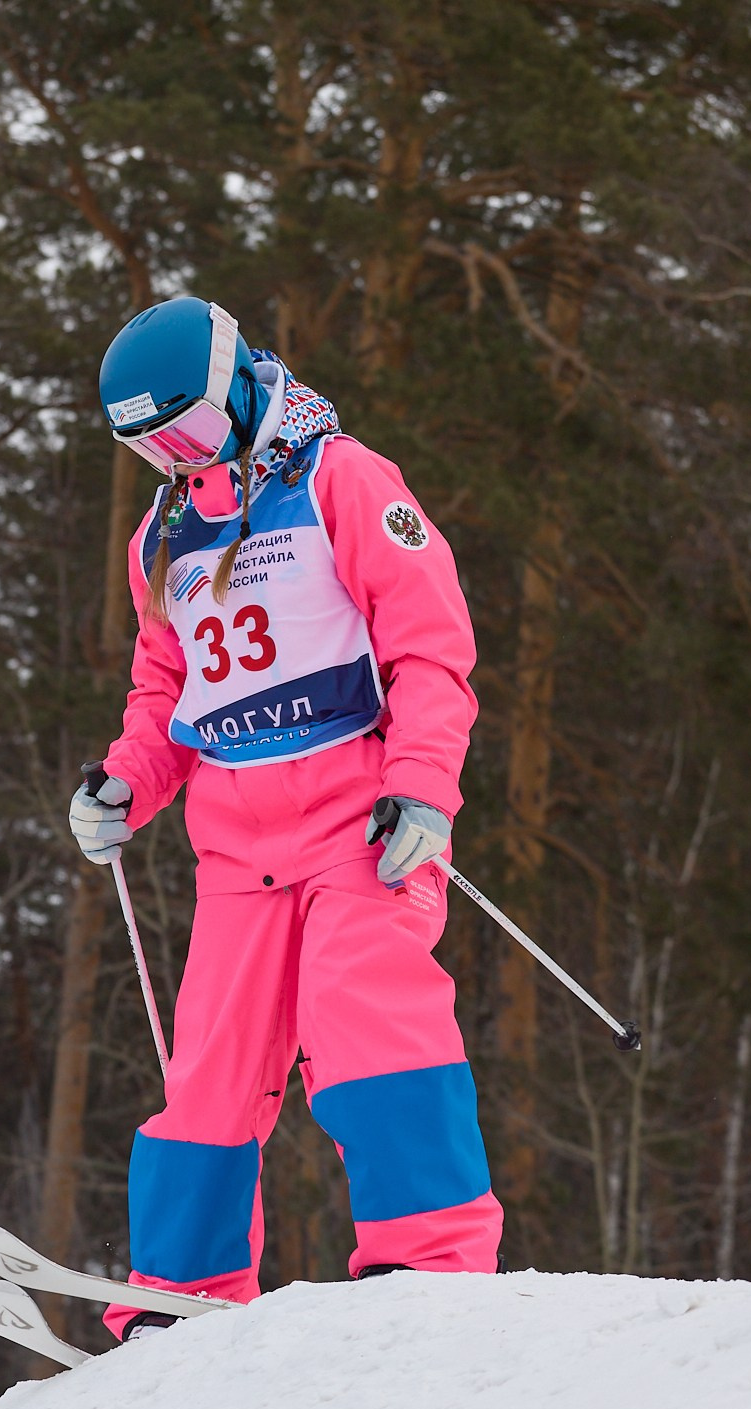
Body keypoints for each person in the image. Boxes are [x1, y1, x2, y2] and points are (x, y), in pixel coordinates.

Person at [71, 297, 504, 1342]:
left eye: (192, 433)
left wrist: (423, 789)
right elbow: (166, 692)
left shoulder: (341, 480)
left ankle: (430, 1257)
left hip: (360, 825)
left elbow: (430, 649)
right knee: (209, 1071)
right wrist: (128, 779)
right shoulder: (164, 535)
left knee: (371, 1028)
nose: (180, 459)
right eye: (151, 447)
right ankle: (185, 1290)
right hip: (236, 849)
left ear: (238, 392)